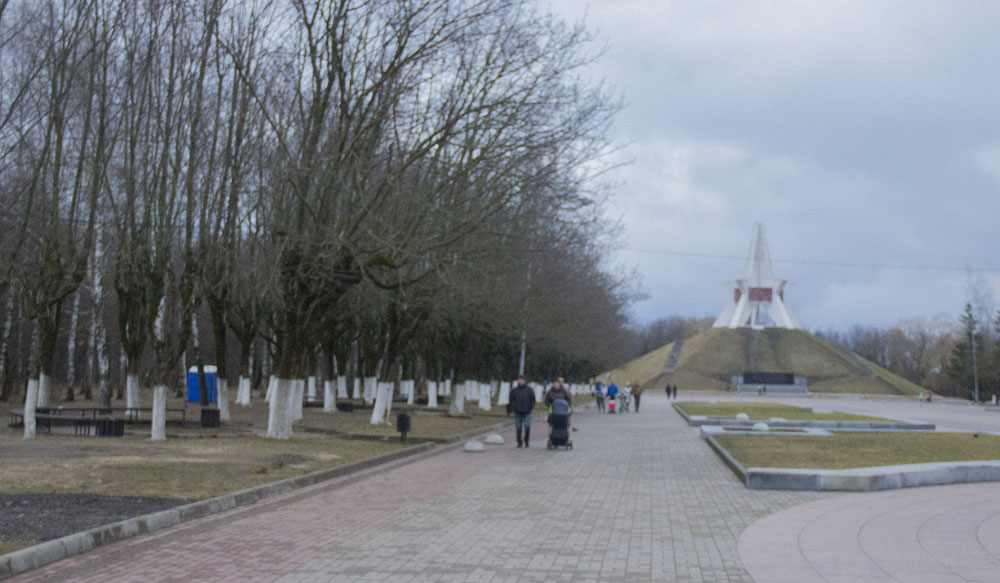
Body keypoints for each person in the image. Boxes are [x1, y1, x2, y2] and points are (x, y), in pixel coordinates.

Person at [509, 374, 536, 448]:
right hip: (518, 412)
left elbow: (533, 400)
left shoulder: (529, 390)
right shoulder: (514, 390)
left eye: (522, 379)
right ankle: (519, 442)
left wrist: (530, 407)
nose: (521, 381)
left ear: (525, 381)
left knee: (527, 426)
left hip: (527, 412)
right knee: (518, 427)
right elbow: (511, 400)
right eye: (519, 379)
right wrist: (514, 407)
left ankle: (526, 440)